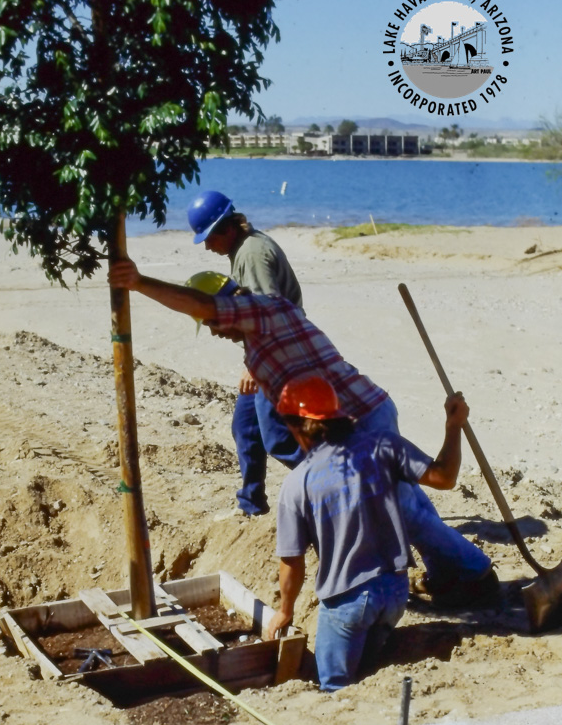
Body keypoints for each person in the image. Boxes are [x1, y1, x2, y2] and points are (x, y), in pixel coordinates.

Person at [106, 258, 498, 608]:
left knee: (401, 507)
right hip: (355, 417)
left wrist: (139, 282)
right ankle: (447, 570)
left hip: (361, 417)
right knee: (405, 497)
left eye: (210, 323)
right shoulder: (259, 334)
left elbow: (204, 304)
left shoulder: (263, 309)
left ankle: (475, 573)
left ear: (228, 305)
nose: (211, 330)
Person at [264, 376, 476, 691]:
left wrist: (285, 611)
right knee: (367, 669)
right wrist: (453, 426)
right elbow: (444, 477)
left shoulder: (298, 484)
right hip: (394, 591)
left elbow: (292, 563)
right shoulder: (383, 445)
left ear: (295, 426)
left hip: (348, 599)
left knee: (334, 687)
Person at [187, 190, 304, 517]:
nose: (208, 247)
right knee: (245, 427)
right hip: (266, 352)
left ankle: (339, 485)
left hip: (280, 353)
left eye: (209, 239)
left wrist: (255, 368)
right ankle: (251, 505)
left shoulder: (251, 253)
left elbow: (269, 314)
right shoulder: (242, 248)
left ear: (226, 228)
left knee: (278, 438)